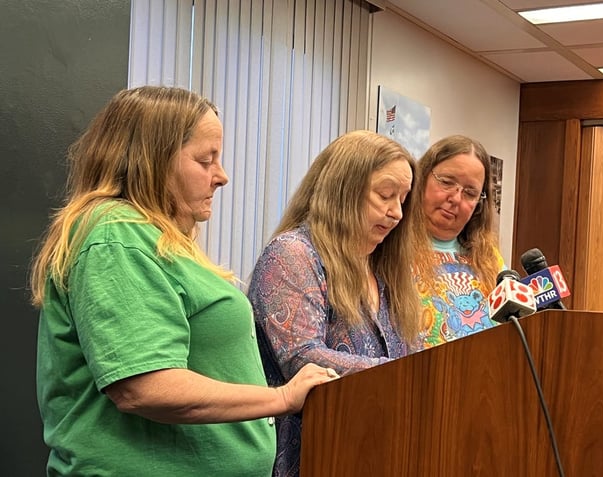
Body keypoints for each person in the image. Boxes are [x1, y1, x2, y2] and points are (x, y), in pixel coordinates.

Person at [29, 86, 337, 476]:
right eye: (205, 160)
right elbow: (146, 388)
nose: (221, 176)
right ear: (151, 161)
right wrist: (283, 397)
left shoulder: (158, 239)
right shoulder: (116, 237)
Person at [248, 130, 426, 477]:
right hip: (309, 456)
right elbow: (303, 358)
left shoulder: (386, 271)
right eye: (386, 195)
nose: (397, 213)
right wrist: (411, 375)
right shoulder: (293, 255)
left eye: (403, 199)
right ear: (342, 190)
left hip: (380, 451)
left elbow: (413, 354)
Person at [414, 135, 505, 347]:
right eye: (446, 182)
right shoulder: (389, 247)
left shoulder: (490, 259)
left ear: (479, 204)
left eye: (470, 193)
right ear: (422, 177)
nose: (455, 198)